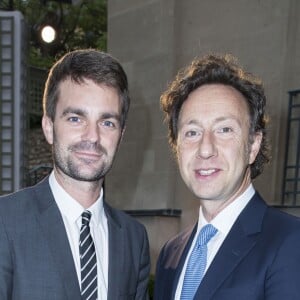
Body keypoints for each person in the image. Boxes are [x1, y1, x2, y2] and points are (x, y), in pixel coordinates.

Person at [0, 49, 150, 300]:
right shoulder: (5, 222)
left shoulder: (134, 239)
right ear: (49, 128)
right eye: (75, 118)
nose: (92, 136)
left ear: (120, 136)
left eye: (107, 122)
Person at [154, 54, 300, 300]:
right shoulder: (171, 252)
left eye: (224, 130)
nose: (205, 148)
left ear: (253, 145)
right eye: (192, 132)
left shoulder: (290, 242)